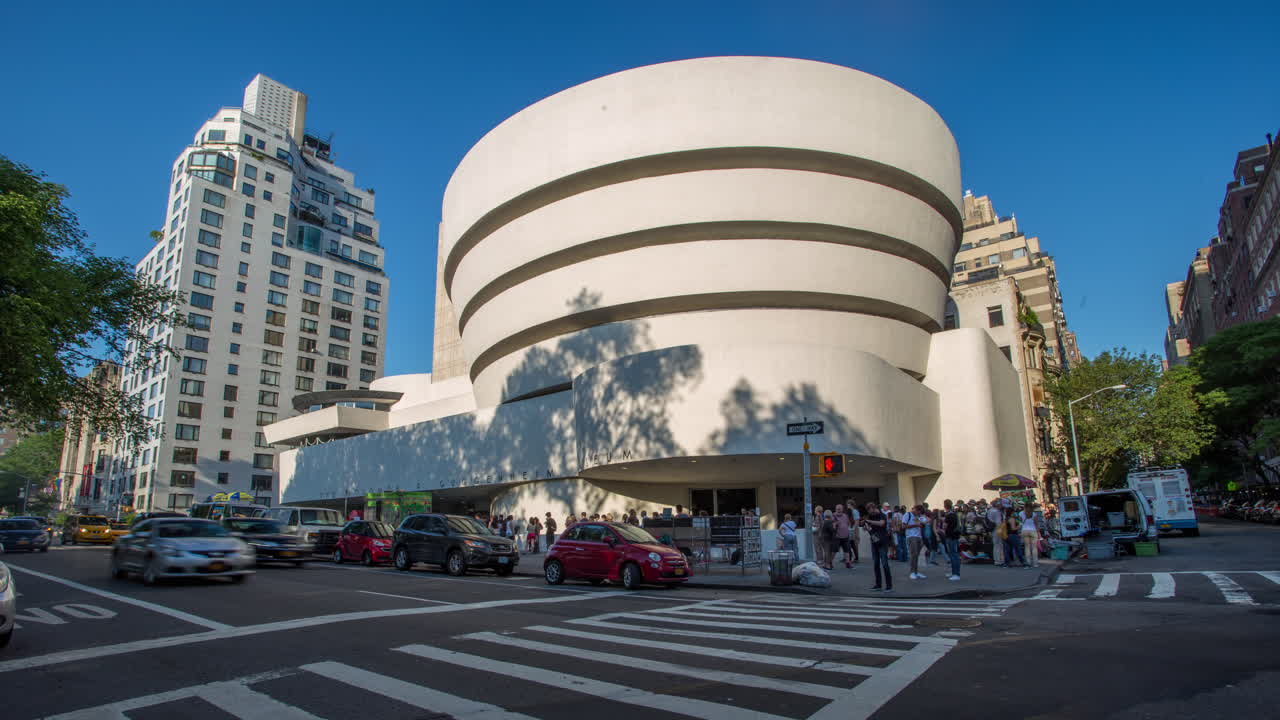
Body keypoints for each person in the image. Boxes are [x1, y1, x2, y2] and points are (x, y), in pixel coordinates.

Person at [864, 502, 892, 592]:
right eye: (869, 511)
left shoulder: (882, 515)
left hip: (883, 541)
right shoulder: (870, 516)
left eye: (871, 511)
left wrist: (869, 521)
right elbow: (868, 527)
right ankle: (878, 584)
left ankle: (889, 586)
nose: (870, 513)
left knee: (884, 564)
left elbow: (881, 523)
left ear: (874, 508)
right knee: (876, 564)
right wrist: (866, 526)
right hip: (874, 541)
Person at [904, 504, 926, 579]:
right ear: (916, 510)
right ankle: (912, 572)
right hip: (911, 536)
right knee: (914, 554)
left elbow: (923, 523)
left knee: (917, 555)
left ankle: (916, 572)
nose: (919, 514)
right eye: (919, 512)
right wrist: (916, 525)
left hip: (919, 536)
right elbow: (903, 526)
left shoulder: (918, 516)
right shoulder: (907, 514)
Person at [942, 499, 961, 580]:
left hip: (950, 536)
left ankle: (956, 574)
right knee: (955, 554)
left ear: (945, 506)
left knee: (953, 555)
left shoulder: (949, 515)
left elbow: (944, 527)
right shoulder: (955, 514)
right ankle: (955, 573)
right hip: (955, 536)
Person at [986, 501, 1005, 566]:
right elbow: (998, 522)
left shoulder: (990, 511)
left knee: (996, 545)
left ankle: (997, 560)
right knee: (999, 544)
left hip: (993, 529)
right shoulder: (997, 512)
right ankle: (999, 560)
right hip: (998, 528)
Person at [834, 504, 853, 569]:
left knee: (847, 550)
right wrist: (835, 524)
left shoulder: (845, 516)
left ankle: (847, 563)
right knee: (834, 551)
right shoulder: (833, 516)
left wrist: (849, 529)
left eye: (840, 509)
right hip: (837, 536)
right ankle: (830, 563)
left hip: (845, 536)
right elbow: (831, 525)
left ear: (842, 509)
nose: (838, 510)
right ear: (835, 509)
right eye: (837, 509)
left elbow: (848, 523)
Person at [845, 499, 861, 563]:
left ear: (851, 505)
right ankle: (849, 557)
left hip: (854, 530)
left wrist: (854, 529)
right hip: (849, 529)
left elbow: (857, 521)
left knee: (854, 544)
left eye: (848, 504)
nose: (847, 506)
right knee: (849, 544)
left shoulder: (855, 511)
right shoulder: (849, 511)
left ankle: (855, 557)